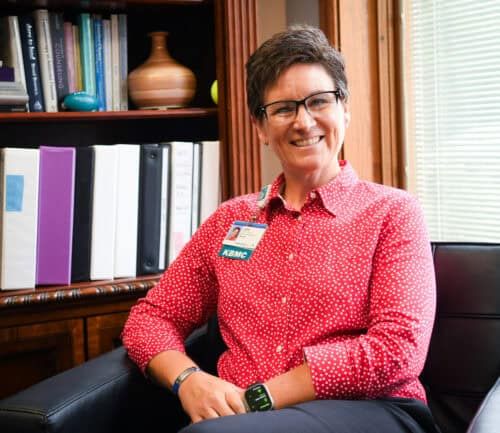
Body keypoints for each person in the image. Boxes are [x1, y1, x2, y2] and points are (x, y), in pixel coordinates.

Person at [122, 25, 439, 433]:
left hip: (372, 410)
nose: (304, 122)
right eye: (284, 108)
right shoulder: (230, 221)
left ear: (345, 109)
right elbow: (150, 318)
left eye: (319, 101)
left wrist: (260, 396)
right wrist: (189, 380)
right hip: (242, 422)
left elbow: (397, 351)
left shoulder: (393, 212)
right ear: (260, 127)